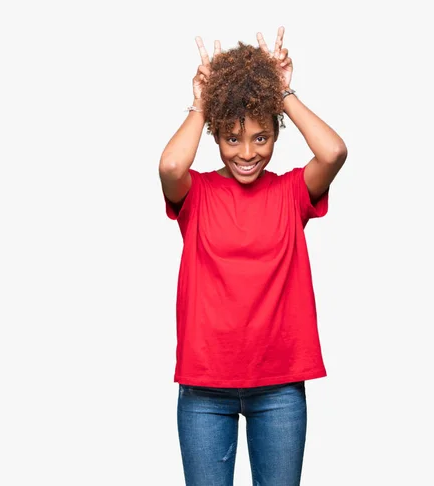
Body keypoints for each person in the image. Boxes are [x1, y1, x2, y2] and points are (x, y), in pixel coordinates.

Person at [159, 26, 347, 486]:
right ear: (216, 135)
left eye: (261, 138)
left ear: (275, 134)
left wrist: (283, 93)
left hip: (279, 387)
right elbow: (169, 167)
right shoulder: (198, 192)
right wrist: (202, 103)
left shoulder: (290, 193)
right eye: (232, 138)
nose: (247, 153)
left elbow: (334, 151)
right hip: (205, 389)